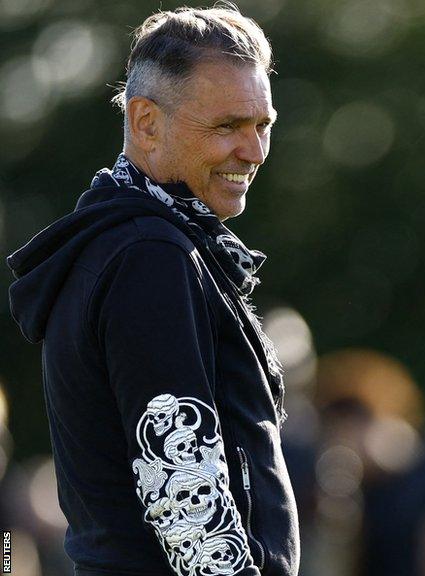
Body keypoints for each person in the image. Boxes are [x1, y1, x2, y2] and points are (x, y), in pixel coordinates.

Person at [6, 4, 299, 575]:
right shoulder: (148, 256)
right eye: (227, 126)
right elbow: (184, 496)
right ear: (145, 123)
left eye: (262, 126)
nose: (255, 151)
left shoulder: (125, 244)